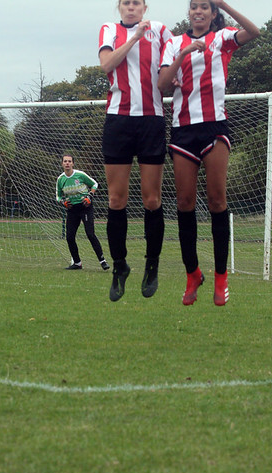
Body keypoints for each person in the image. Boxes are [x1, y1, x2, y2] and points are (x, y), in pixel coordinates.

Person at [158, 0, 259, 306]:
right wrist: (185, 54)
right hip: (183, 130)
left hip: (215, 127)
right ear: (189, 13)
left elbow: (254, 31)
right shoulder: (174, 43)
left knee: (217, 200)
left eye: (205, 6)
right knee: (185, 202)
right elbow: (162, 86)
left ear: (213, 13)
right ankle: (192, 274)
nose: (198, 11)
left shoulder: (223, 38)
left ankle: (220, 277)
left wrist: (224, 3)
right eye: (194, 7)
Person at [99, 0, 173, 301]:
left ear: (145, 7)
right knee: (116, 199)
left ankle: (151, 265)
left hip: (151, 120)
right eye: (126, 3)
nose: (131, 8)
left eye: (137, 3)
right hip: (118, 120)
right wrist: (134, 38)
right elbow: (106, 65)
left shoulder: (162, 31)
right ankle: (119, 266)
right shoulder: (109, 30)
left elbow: (172, 64)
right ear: (120, 7)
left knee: (152, 199)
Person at [56, 154, 110, 271]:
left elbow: (94, 184)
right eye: (65, 161)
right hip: (72, 209)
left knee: (90, 234)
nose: (67, 163)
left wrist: (90, 196)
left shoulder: (80, 175)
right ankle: (77, 263)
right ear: (62, 164)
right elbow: (58, 196)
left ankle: (103, 261)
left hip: (85, 207)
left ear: (73, 163)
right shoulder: (60, 179)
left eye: (69, 161)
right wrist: (63, 202)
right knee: (70, 237)